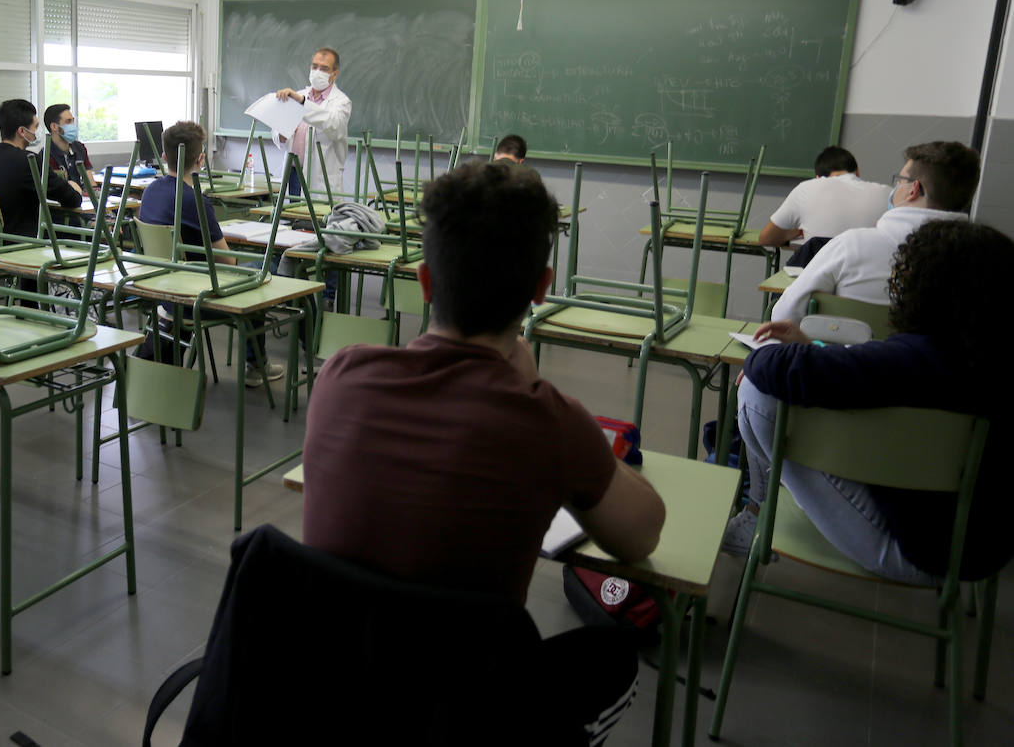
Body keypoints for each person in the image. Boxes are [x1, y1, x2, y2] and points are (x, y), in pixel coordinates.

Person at [303, 160, 665, 745]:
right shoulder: (549, 419)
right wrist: (544, 396)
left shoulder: (341, 375)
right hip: (465, 708)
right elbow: (642, 535)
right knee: (613, 659)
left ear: (423, 280)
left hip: (332, 691)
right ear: (542, 290)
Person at [724, 219, 1013, 584]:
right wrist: (812, 349)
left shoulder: (915, 358)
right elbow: (867, 371)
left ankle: (757, 510)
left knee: (756, 393)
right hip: (985, 551)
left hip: (919, 553)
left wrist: (765, 351)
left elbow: (774, 366)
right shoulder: (984, 356)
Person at [138, 121, 285, 388]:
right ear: (201, 159)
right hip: (196, 297)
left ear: (163, 156)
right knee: (263, 269)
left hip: (161, 290)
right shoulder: (193, 199)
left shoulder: (150, 191)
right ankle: (257, 365)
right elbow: (228, 262)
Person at [769, 141, 980, 323]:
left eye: (900, 180)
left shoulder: (851, 246)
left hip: (845, 365)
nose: (895, 187)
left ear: (913, 189)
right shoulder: (983, 260)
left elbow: (784, 314)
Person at [0, 98, 80, 250]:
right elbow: (71, 199)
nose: (36, 132)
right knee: (83, 235)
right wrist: (74, 188)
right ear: (22, 131)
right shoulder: (28, 161)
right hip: (14, 247)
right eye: (35, 127)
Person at [757, 146, 889, 249]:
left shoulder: (807, 188)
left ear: (818, 178)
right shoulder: (888, 193)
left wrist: (792, 233)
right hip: (872, 279)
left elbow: (766, 238)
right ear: (857, 171)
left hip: (821, 280)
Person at [275, 47, 351, 198]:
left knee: (315, 220)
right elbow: (278, 129)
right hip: (293, 173)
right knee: (291, 218)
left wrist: (302, 102)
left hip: (320, 179)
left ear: (334, 74)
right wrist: (281, 134)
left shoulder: (341, 102)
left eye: (324, 68)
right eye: (315, 66)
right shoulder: (299, 95)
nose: (317, 71)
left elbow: (333, 125)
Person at [43, 103, 92, 190]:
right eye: (68, 121)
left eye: (73, 121)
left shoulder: (79, 148)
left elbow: (90, 182)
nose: (73, 125)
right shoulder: (45, 155)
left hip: (84, 199)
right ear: (54, 126)